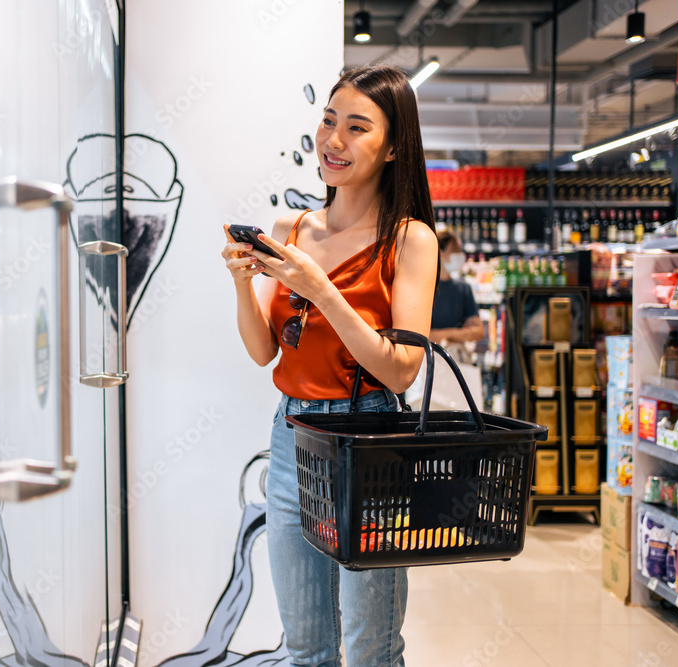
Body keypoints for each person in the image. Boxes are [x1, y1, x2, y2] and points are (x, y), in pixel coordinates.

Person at [220, 65, 439, 667]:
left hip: (369, 439)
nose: (333, 141)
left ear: (394, 147)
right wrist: (244, 284)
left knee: (371, 646)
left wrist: (320, 290)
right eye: (327, 121)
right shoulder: (294, 229)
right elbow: (266, 352)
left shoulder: (411, 239)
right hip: (291, 438)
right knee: (307, 647)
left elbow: (401, 372)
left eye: (357, 127)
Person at [429, 230, 484, 346]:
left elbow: (479, 331)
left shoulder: (463, 288)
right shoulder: (426, 288)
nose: (460, 255)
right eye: (455, 251)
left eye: (460, 251)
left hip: (454, 357)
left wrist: (444, 333)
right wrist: (461, 333)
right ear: (440, 253)